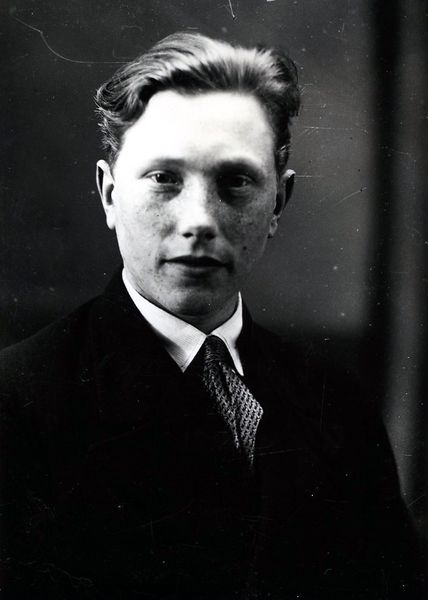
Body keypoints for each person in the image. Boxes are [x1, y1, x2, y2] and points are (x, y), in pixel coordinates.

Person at [0, 32, 425, 600]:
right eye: (164, 179)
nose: (199, 220)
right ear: (108, 194)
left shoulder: (338, 407)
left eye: (235, 182)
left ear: (278, 203)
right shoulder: (17, 404)